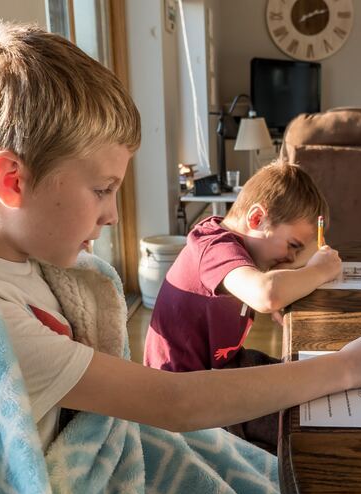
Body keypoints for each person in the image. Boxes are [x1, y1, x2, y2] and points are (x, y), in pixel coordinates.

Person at [0, 19, 361, 494]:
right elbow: (172, 402)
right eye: (102, 190)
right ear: (12, 180)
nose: (111, 215)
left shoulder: (24, 262)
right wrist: (348, 367)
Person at [144, 162, 343, 450]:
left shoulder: (243, 249)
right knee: (302, 423)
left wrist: (299, 269)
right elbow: (267, 294)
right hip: (185, 399)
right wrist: (317, 272)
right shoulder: (213, 247)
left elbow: (275, 284)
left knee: (309, 385)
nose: (291, 259)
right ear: (257, 218)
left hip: (222, 370)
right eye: (292, 245)